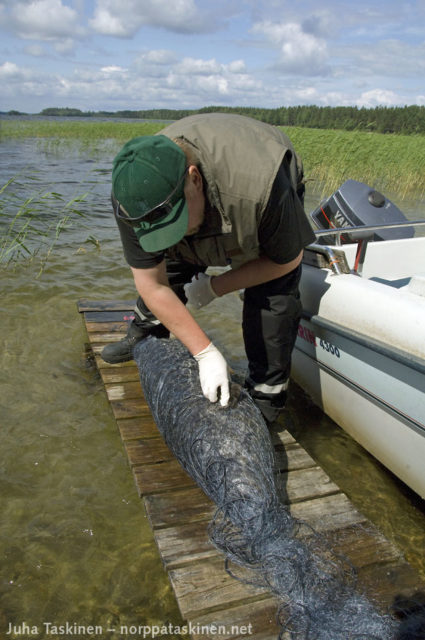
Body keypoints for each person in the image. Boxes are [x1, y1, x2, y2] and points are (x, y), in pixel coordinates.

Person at [102, 113, 315, 425]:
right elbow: (152, 284)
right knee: (172, 265)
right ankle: (142, 333)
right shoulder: (133, 196)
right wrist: (204, 352)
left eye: (174, 222)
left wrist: (216, 287)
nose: (175, 236)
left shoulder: (262, 186)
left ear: (194, 179)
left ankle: (267, 397)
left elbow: (286, 260)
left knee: (273, 300)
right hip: (201, 197)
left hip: (255, 189)